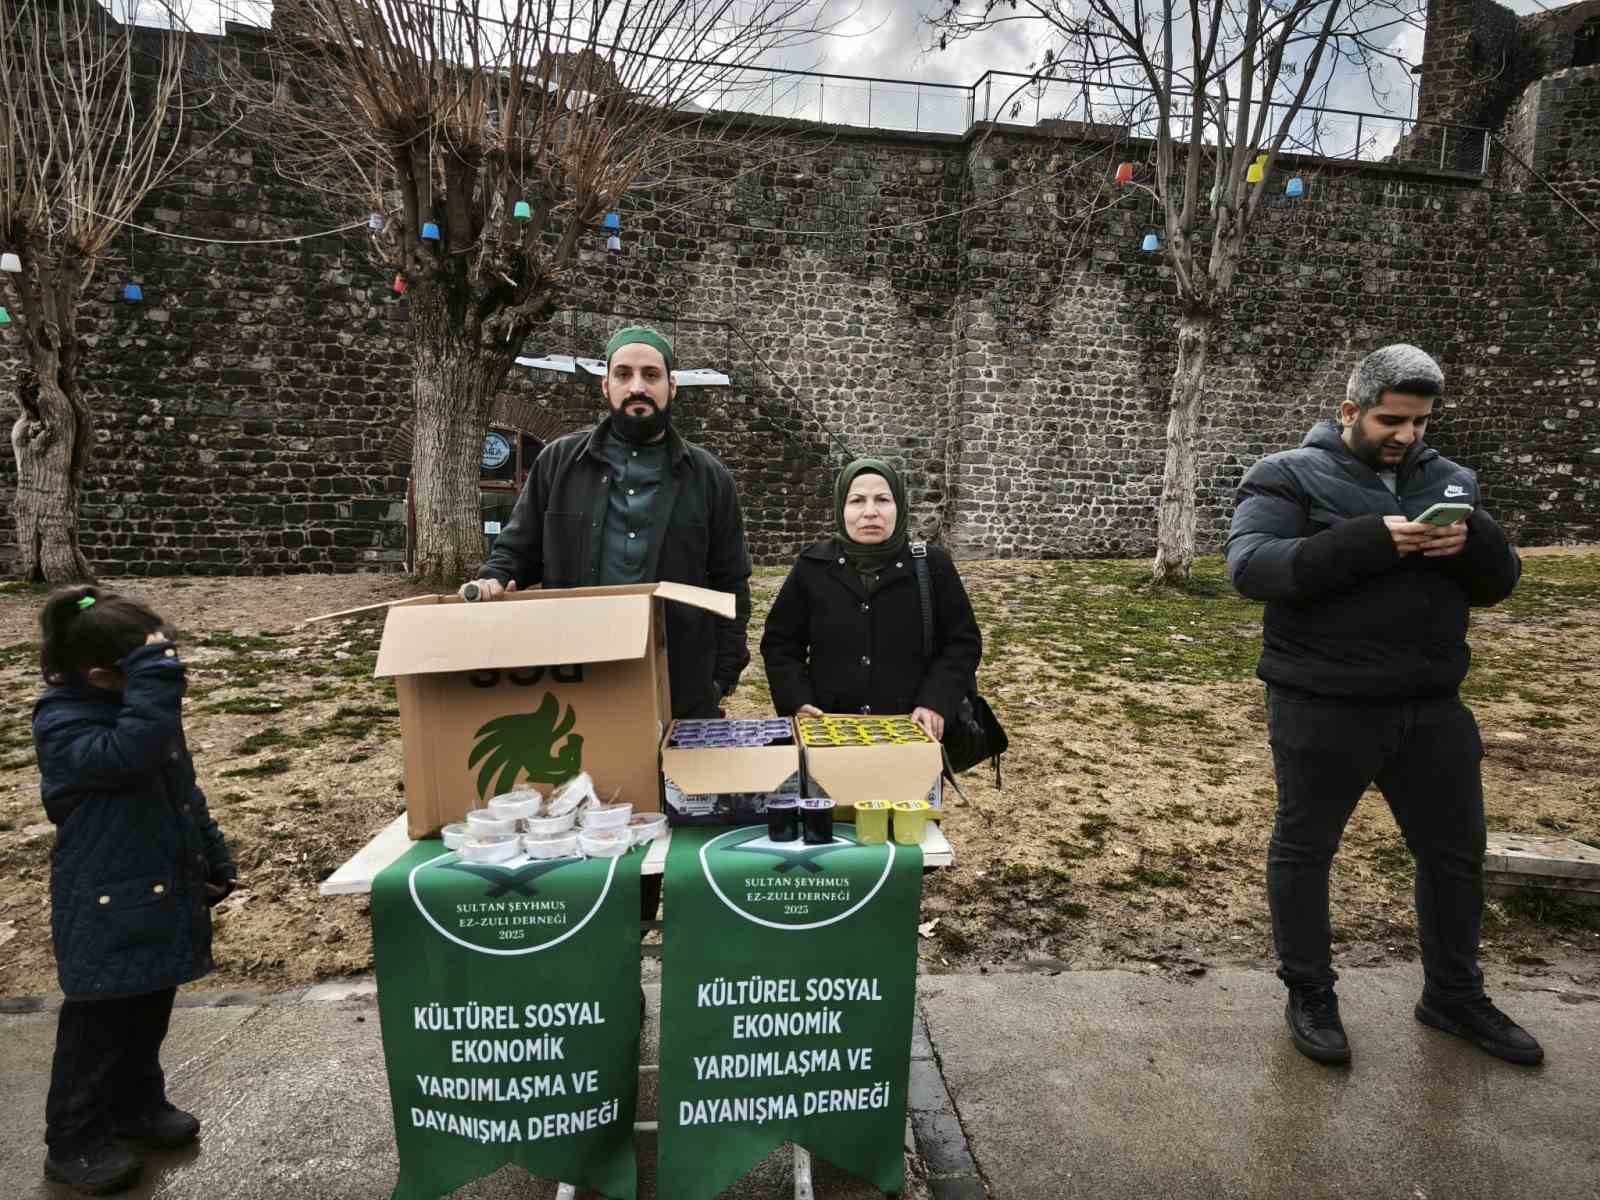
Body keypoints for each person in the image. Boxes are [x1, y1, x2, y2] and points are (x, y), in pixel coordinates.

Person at [1225, 343, 1540, 1068]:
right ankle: (1311, 994)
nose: (1406, 436)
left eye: (1421, 423)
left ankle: (1454, 997)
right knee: (1306, 853)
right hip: (1322, 702)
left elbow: (1497, 584)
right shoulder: (1285, 475)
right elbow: (1253, 568)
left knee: (1455, 857)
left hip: (1432, 707)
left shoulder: (1452, 480)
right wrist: (1375, 539)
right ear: (1350, 411)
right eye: (1391, 420)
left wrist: (1473, 539)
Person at [33, 587, 237, 1195]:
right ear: (100, 677)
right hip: (102, 907)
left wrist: (212, 852)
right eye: (153, 673)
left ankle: (136, 1107)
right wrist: (153, 686)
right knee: (98, 1032)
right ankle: (73, 1142)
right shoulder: (62, 724)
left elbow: (180, 788)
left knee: (147, 1013)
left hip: (157, 889)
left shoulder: (135, 715)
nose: (168, 685)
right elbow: (132, 753)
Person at [468, 325, 752, 721]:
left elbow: (731, 581)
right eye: (624, 374)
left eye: (651, 375)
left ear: (672, 386)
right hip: (578, 672)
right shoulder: (558, 463)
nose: (637, 386)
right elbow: (516, 552)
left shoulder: (709, 477)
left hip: (679, 680)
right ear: (605, 386)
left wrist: (721, 676)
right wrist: (494, 579)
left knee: (675, 783)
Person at [761, 458, 981, 742]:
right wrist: (797, 701)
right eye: (857, 501)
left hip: (912, 730)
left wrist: (936, 701)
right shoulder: (813, 566)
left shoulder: (932, 566)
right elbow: (781, 642)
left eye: (882, 499)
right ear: (841, 507)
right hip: (830, 729)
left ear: (899, 506)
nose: (870, 512)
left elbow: (962, 643)